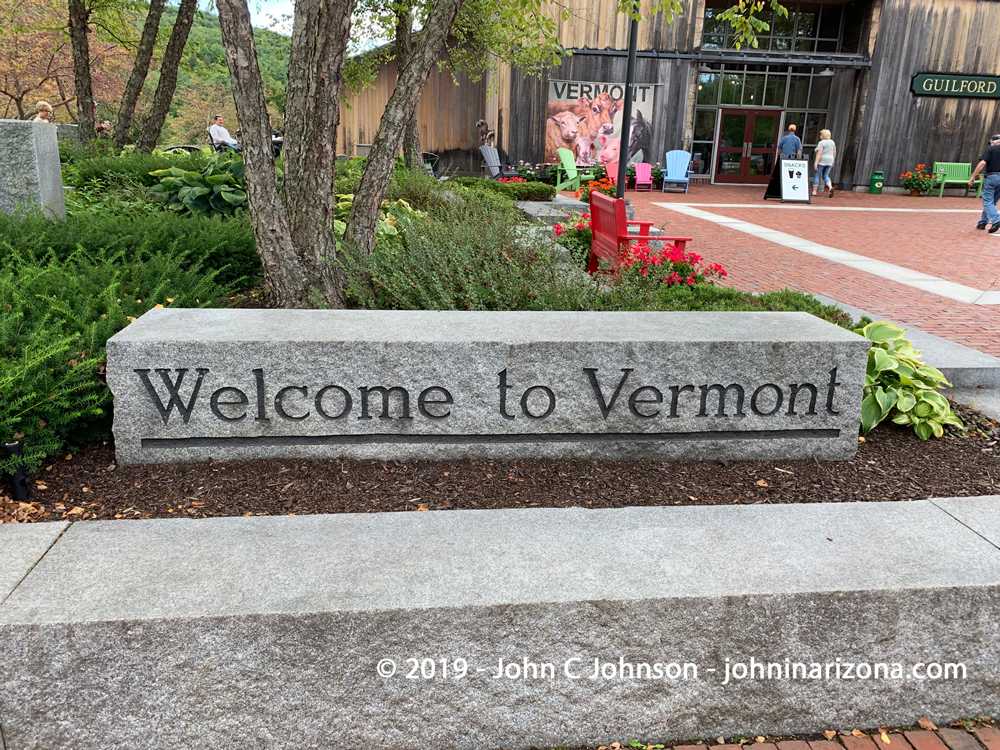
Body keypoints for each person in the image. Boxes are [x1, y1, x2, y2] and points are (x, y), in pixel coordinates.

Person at [971, 133, 1000, 233]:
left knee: (987, 201)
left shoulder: (991, 149)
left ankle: (996, 220)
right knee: (992, 202)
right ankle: (982, 222)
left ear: (993, 142)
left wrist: (973, 176)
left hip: (992, 177)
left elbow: (982, 163)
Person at [813, 129, 836, 198]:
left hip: (822, 160)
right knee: (825, 175)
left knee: (817, 175)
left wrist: (816, 163)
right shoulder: (832, 142)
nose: (820, 136)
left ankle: (814, 191)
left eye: (821, 134)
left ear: (823, 135)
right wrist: (833, 160)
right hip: (830, 160)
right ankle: (830, 187)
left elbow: (820, 153)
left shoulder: (821, 143)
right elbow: (834, 152)